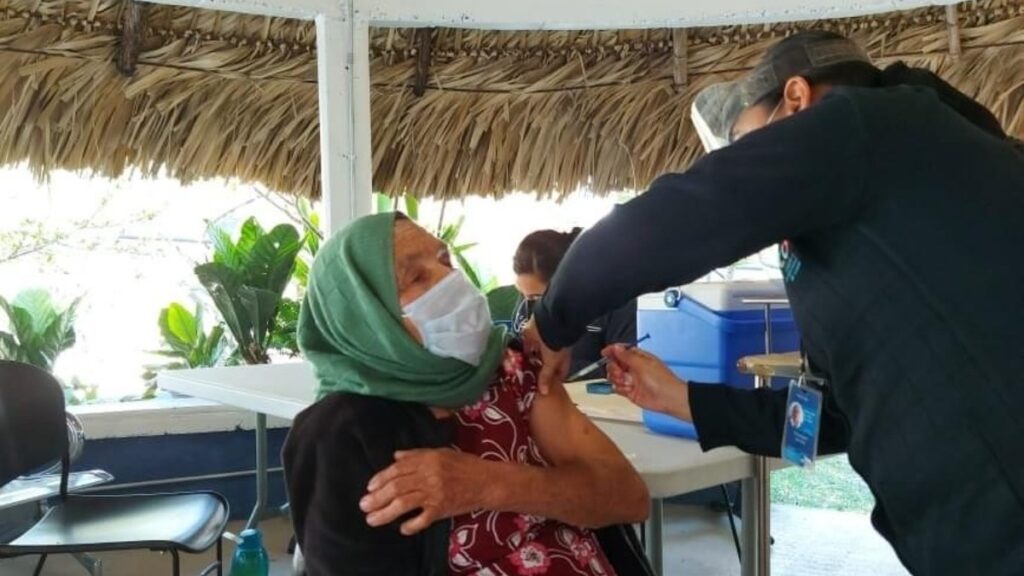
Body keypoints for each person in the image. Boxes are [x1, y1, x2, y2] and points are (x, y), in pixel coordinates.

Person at [522, 31, 1024, 575]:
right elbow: (834, 418)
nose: (742, 166)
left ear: (797, 99)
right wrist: (683, 400)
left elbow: (681, 215)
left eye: (743, 144)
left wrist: (553, 319)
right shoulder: (896, 209)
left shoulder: (865, 124)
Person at [282, 212, 649, 575]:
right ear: (368, 318)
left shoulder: (511, 369)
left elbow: (629, 497)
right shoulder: (341, 433)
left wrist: (488, 483)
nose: (449, 280)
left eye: (445, 260)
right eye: (416, 277)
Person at [512, 228, 636, 379]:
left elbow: (626, 369)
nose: (530, 308)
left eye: (537, 298)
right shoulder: (526, 301)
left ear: (567, 287)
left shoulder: (617, 304)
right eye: (523, 294)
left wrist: (553, 368)